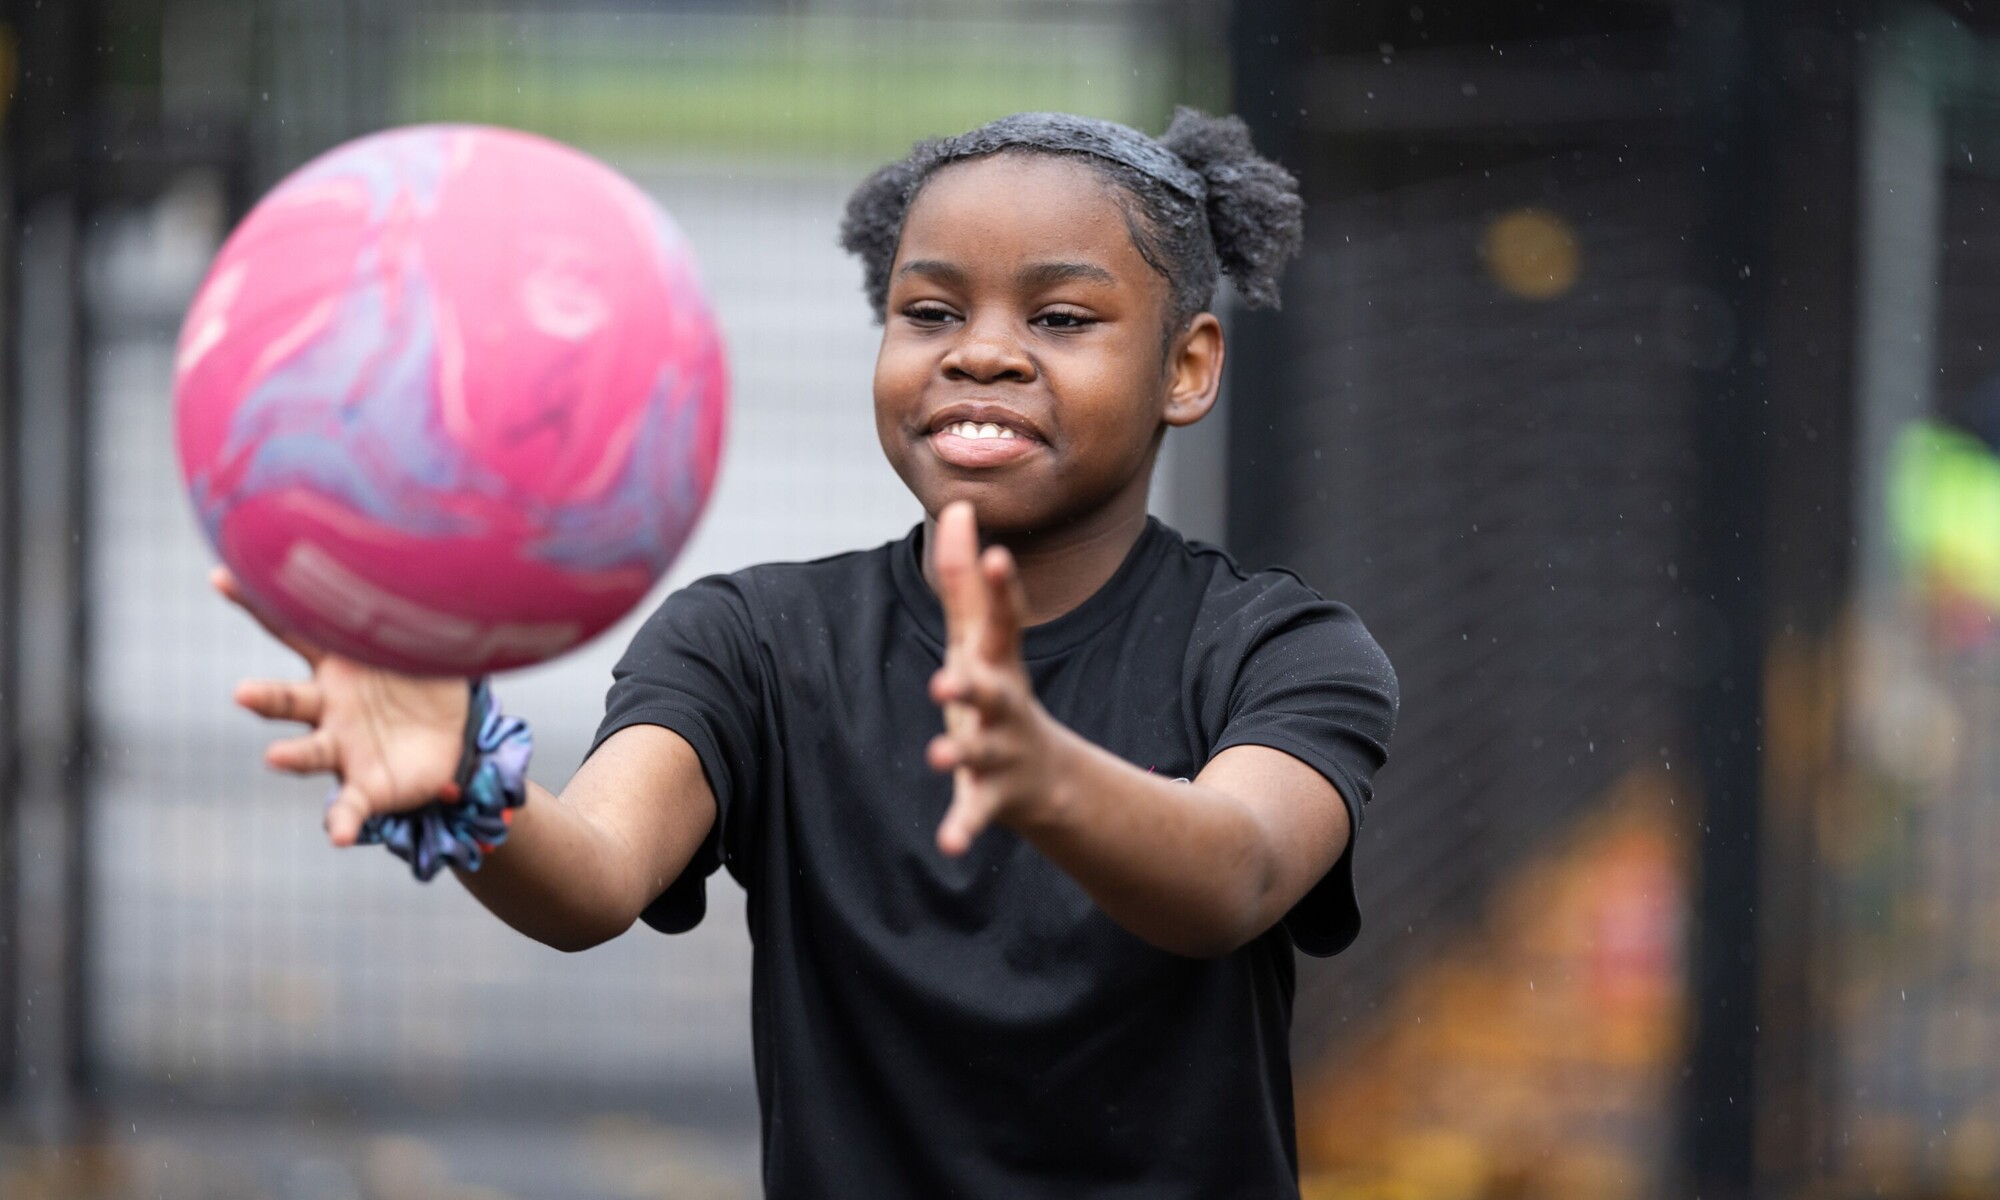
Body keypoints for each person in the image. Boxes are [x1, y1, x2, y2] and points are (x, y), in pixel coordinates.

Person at [217, 108, 1399, 1198]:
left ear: (1184, 367)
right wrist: (467, 777)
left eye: (1059, 317)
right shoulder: (750, 642)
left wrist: (1044, 776)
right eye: (929, 312)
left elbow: (1230, 876)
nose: (977, 353)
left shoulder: (1280, 653)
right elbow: (592, 879)